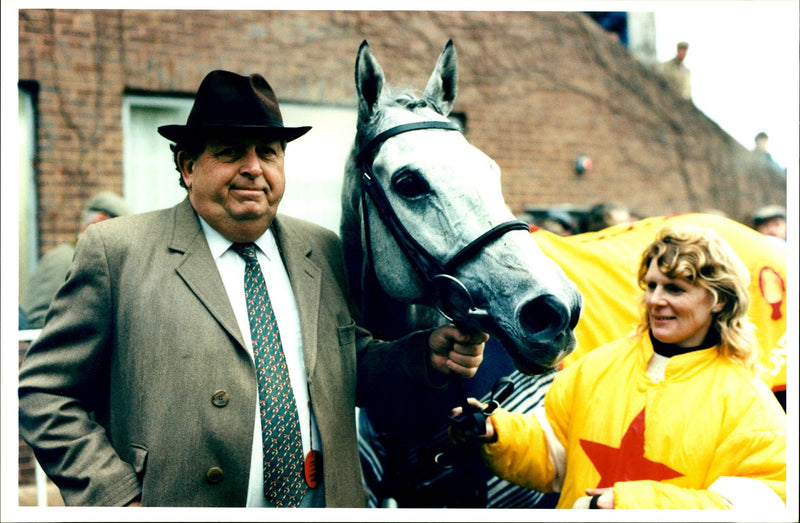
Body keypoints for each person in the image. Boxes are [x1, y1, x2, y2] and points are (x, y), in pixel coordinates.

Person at [18, 70, 487, 507]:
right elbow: (45, 391)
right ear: (187, 165)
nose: (254, 168)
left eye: (268, 151)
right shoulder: (117, 252)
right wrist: (116, 497)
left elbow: (343, 366)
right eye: (230, 151)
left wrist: (424, 355)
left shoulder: (320, 249)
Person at [451, 225, 786, 509]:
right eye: (651, 285)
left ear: (720, 300)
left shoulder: (748, 402)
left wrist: (629, 504)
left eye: (675, 289)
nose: (656, 300)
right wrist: (496, 432)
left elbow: (763, 504)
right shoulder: (596, 366)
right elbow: (551, 455)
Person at [19, 191, 132, 329]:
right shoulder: (61, 259)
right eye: (122, 227)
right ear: (100, 221)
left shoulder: (100, 261)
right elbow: (37, 320)